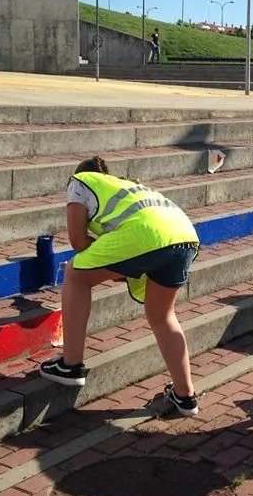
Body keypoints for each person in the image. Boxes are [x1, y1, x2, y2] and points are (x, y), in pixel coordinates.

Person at [40, 156, 201, 416]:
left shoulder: (81, 181)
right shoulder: (127, 186)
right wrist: (118, 264)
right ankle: (185, 396)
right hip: (184, 235)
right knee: (162, 315)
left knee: (75, 272)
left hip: (147, 234)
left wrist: (111, 264)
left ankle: (70, 365)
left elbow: (78, 240)